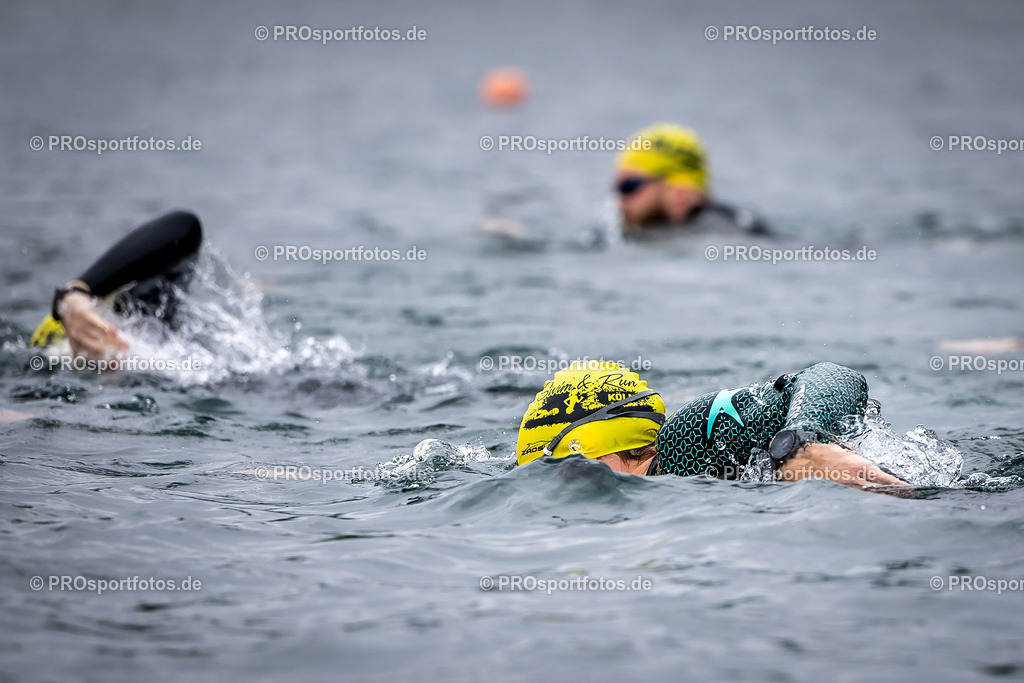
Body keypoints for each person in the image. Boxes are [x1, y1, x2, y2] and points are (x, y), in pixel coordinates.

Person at [516, 360, 907, 489]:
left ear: (599, 446)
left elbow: (833, 374)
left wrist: (802, 442)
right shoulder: (670, 485)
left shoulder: (682, 444)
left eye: (564, 476)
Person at [29, 210, 203, 359]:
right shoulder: (146, 312)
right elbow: (183, 227)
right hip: (60, 341)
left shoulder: (180, 355)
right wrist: (76, 294)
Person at [615, 122, 769, 235]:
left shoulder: (719, 234)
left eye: (630, 185)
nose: (620, 199)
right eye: (617, 187)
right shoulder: (741, 225)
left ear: (680, 192)